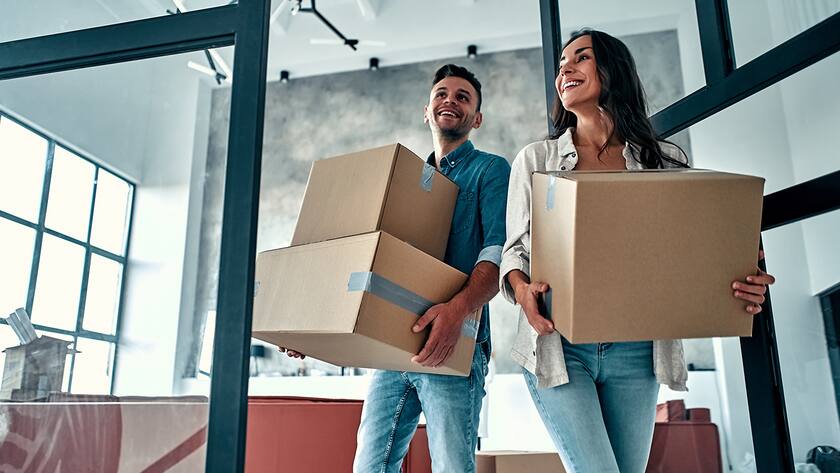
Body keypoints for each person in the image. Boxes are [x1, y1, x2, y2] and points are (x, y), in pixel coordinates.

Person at [499, 29, 776, 473]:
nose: (565, 69)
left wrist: (738, 275)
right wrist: (522, 290)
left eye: (581, 58)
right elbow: (515, 250)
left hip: (638, 351)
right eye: (561, 64)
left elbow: (692, 249)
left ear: (612, 70)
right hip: (559, 346)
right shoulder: (536, 160)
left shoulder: (660, 160)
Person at [284, 64, 511, 473]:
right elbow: (364, 260)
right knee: (369, 466)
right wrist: (313, 331)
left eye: (463, 97)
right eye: (442, 94)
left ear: (476, 118)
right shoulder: (405, 181)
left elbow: (497, 256)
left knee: (452, 468)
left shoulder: (490, 170)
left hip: (453, 345)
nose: (450, 101)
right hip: (392, 345)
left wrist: (456, 313)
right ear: (426, 111)